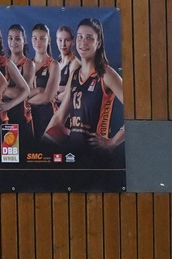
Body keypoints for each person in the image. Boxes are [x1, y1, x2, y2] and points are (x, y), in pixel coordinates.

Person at [43, 19, 125, 156]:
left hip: (97, 155)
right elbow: (59, 117)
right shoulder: (74, 75)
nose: (83, 42)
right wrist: (40, 146)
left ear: (98, 43)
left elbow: (134, 108)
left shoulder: (105, 74)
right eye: (80, 37)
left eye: (89, 38)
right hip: (75, 154)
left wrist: (112, 142)